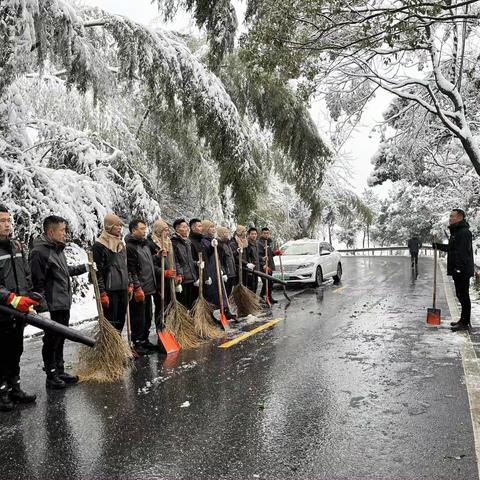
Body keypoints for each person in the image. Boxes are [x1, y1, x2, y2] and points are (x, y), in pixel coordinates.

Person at [30, 215, 88, 389]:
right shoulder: (39, 252)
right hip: (51, 304)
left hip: (63, 302)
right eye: (62, 230)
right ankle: (51, 374)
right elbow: (36, 282)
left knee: (61, 338)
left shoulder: (58, 249)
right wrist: (42, 307)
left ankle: (60, 369)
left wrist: (84, 268)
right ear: (50, 231)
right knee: (51, 340)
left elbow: (63, 272)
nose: (65, 234)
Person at [0, 205, 38, 411]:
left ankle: (15, 387)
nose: (7, 224)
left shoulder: (16, 245)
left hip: (17, 310)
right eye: (2, 221)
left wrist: (28, 297)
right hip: (3, 311)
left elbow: (25, 275)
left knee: (16, 350)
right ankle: (2, 392)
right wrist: (12, 299)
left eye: (8, 220)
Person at [433, 208, 474, 332]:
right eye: (450, 216)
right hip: (458, 269)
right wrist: (437, 246)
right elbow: (452, 248)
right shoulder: (456, 232)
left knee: (463, 295)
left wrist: (458, 268)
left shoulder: (463, 232)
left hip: (462, 269)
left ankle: (465, 322)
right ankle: (463, 320)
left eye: (452, 216)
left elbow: (462, 253)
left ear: (459, 218)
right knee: (460, 295)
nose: (450, 218)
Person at [92, 213, 131, 333]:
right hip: (110, 290)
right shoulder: (99, 246)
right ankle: (109, 349)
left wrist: (129, 283)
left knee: (120, 322)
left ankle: (117, 349)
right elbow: (97, 271)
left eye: (120, 225)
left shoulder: (120, 244)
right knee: (111, 323)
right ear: (109, 227)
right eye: (116, 225)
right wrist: (102, 292)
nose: (119, 228)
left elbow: (125, 265)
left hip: (122, 288)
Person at [125, 219, 157, 355]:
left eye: (145, 228)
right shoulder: (130, 247)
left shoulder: (145, 245)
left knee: (148, 316)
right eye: (142, 229)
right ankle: (137, 342)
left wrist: (157, 256)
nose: (145, 231)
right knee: (138, 317)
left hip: (149, 286)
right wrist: (137, 287)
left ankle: (145, 339)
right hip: (140, 288)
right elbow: (131, 269)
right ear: (133, 230)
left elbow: (148, 263)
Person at [146, 219, 177, 329]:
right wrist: (163, 272)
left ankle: (170, 326)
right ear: (158, 231)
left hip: (170, 279)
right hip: (159, 281)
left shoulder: (168, 242)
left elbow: (173, 260)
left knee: (170, 304)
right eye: (164, 230)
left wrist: (175, 273)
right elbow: (150, 264)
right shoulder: (151, 244)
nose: (167, 232)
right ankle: (161, 328)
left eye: (168, 230)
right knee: (161, 306)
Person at [171, 219, 199, 310]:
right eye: (183, 227)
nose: (186, 229)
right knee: (183, 304)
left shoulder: (187, 242)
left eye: (187, 227)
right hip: (183, 279)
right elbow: (176, 261)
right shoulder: (174, 243)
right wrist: (179, 275)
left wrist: (196, 263)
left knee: (192, 304)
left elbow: (189, 260)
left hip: (191, 277)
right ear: (177, 229)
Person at [258, 227, 282, 305]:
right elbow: (258, 255)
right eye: (264, 233)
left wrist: (275, 253)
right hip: (263, 267)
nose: (266, 235)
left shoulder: (269, 242)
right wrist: (264, 265)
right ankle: (263, 296)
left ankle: (267, 296)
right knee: (266, 282)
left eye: (267, 233)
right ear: (261, 234)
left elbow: (269, 254)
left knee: (270, 282)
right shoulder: (259, 243)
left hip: (269, 265)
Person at [217, 227, 237, 296]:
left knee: (229, 290)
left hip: (231, 271)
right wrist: (223, 272)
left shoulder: (228, 244)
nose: (226, 234)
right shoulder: (219, 245)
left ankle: (227, 303)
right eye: (224, 233)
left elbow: (230, 257)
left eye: (227, 232)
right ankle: (224, 305)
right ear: (220, 234)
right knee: (225, 291)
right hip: (226, 273)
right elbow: (220, 260)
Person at [246, 227, 259, 293]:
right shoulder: (247, 244)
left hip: (256, 267)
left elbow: (256, 256)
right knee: (251, 286)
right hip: (251, 268)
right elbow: (247, 256)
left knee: (255, 285)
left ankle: (254, 300)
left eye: (255, 234)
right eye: (252, 234)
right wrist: (249, 267)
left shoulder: (255, 243)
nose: (254, 235)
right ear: (249, 234)